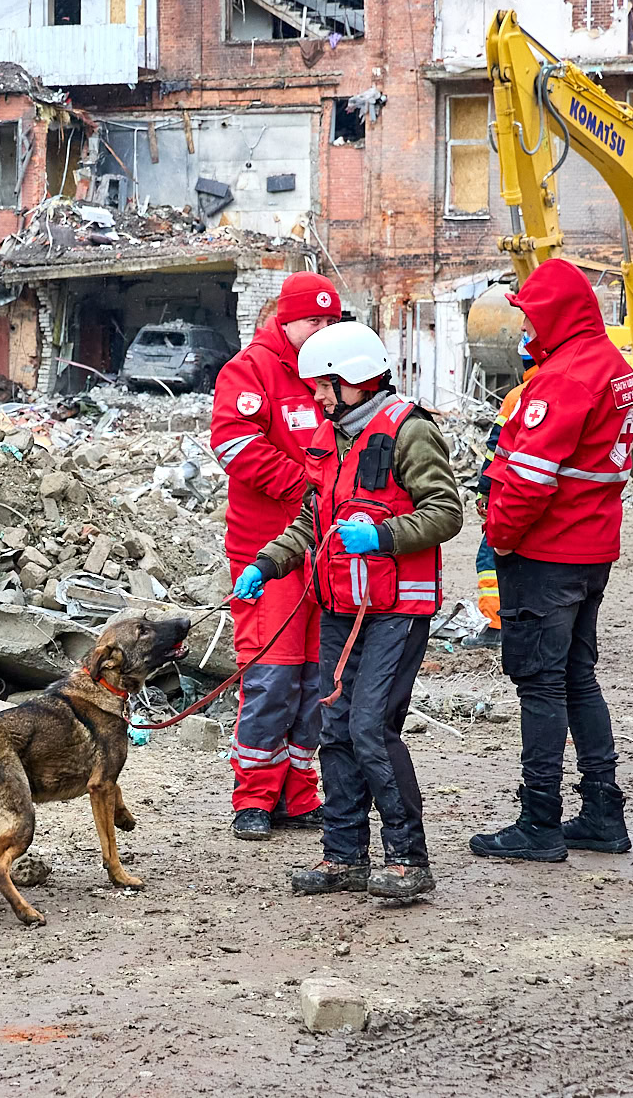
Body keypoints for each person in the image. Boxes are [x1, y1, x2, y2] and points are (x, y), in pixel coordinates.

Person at [239, 322, 463, 901]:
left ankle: (408, 858)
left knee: (369, 728)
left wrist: (384, 536)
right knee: (335, 729)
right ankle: (344, 858)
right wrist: (268, 564)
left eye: (322, 386)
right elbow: (313, 520)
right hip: (342, 605)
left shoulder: (409, 433)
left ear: (357, 380)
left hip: (396, 610)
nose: (314, 397)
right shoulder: (330, 438)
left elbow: (447, 513)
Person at [471, 258, 633, 862]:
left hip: (547, 552)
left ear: (557, 316)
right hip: (592, 547)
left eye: (530, 316)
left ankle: (539, 820)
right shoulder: (613, 368)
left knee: (539, 685)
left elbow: (528, 479)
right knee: (576, 677)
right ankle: (601, 809)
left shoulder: (563, 379)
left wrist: (501, 539)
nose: (525, 329)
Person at [210, 273, 343, 841]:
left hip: (325, 553)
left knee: (317, 679)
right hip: (267, 552)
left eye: (331, 322)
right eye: (313, 321)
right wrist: (308, 489)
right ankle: (254, 798)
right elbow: (234, 444)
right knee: (271, 676)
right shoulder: (250, 370)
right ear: (284, 320)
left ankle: (299, 791)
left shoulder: (333, 373)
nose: (322, 330)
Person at [469, 336, 539, 648]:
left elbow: (496, 449)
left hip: (508, 493)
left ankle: (497, 624)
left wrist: (484, 490)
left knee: (490, 558)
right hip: (540, 496)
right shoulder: (566, 386)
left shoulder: (517, 396)